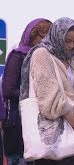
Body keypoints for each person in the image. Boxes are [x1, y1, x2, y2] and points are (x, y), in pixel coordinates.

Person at [20, 17, 74, 165]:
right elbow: (48, 93)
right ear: (57, 35)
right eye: (67, 40)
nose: (70, 46)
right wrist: (70, 117)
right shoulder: (41, 53)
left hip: (72, 131)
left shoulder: (69, 59)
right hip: (50, 131)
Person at [2, 18, 51, 165]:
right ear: (31, 36)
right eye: (41, 38)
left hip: (41, 120)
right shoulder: (18, 56)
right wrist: (33, 96)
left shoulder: (49, 59)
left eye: (47, 39)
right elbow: (8, 90)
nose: (44, 43)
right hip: (18, 120)